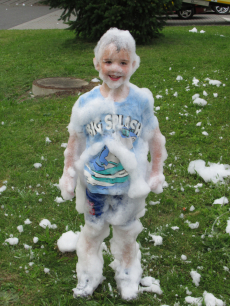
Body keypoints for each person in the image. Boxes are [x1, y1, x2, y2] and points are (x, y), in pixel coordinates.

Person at [59, 28, 167, 300]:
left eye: (122, 62)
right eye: (108, 62)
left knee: (127, 234)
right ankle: (88, 274)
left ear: (133, 64)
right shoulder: (86, 102)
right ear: (97, 64)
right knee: (92, 231)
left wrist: (155, 171)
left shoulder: (141, 100)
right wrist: (69, 173)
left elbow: (154, 136)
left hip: (128, 187)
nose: (115, 68)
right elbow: (75, 139)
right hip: (95, 186)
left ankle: (128, 274)